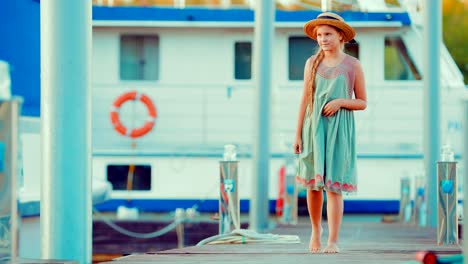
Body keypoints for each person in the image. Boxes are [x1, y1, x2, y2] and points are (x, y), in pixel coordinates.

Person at [293, 12, 367, 254]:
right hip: (313, 128)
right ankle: (316, 230)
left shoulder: (353, 65)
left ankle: (333, 240)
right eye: (319, 35)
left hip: (339, 131)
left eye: (327, 34)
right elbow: (305, 99)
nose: (322, 39)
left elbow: (363, 102)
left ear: (340, 36)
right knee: (313, 186)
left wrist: (341, 102)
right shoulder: (311, 63)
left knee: (333, 187)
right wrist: (297, 134)